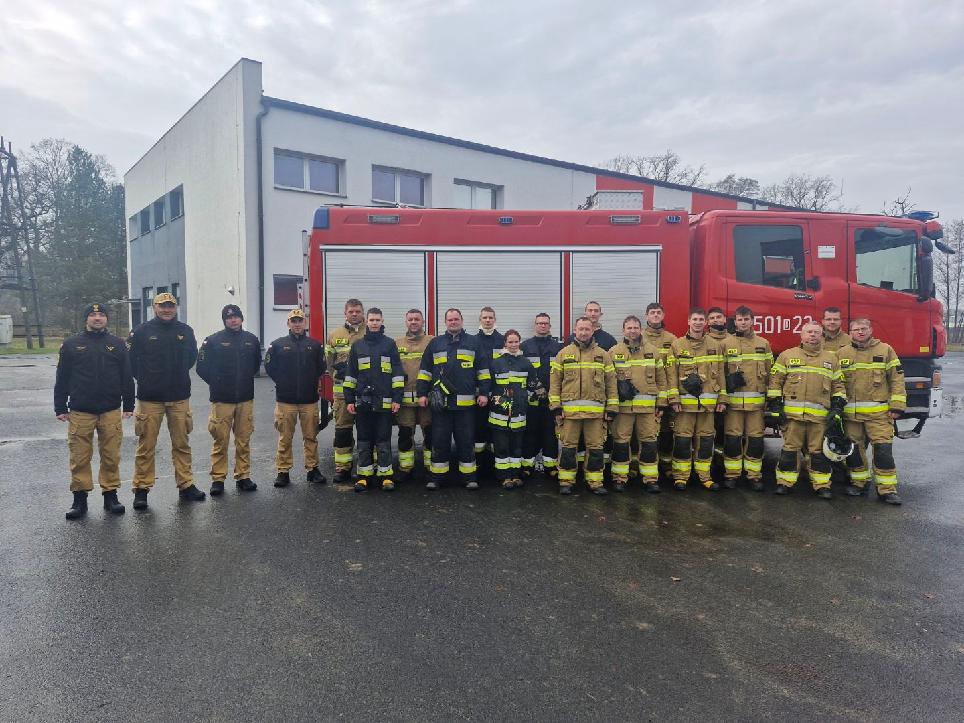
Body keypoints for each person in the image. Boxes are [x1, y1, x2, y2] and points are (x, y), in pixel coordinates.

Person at [55, 302, 134, 519]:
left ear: (106, 319)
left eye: (101, 315)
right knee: (79, 457)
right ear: (86, 319)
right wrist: (60, 406)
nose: (97, 318)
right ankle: (79, 500)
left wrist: (129, 405)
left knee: (111, 456)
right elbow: (62, 377)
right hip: (81, 410)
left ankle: (111, 496)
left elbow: (127, 376)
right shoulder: (71, 345)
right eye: (92, 314)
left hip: (110, 409)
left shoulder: (117, 344)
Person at [127, 292, 205, 509]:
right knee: (146, 445)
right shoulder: (141, 332)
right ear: (154, 307)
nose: (167, 309)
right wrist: (147, 378)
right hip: (150, 398)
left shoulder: (185, 331)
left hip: (179, 397)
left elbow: (191, 358)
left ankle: (186, 484)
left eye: (170, 306)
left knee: (182, 444)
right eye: (162, 306)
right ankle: (141, 489)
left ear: (176, 307)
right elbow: (131, 362)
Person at [767, 321, 847, 499]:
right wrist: (776, 406)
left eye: (816, 332)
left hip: (819, 418)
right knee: (789, 450)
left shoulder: (831, 359)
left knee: (818, 453)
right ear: (801, 335)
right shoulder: (787, 355)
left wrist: (837, 408)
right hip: (792, 417)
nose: (812, 335)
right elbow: (775, 382)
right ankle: (784, 483)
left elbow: (838, 386)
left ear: (822, 336)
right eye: (809, 332)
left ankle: (822, 485)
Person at [416, 308, 491, 490]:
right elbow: (425, 371)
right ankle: (437, 478)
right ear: (445, 322)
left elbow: (483, 370)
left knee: (466, 442)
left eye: (456, 319)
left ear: (462, 321)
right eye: (450, 320)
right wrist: (422, 394)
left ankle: (469, 477)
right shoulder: (435, 343)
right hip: (441, 405)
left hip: (466, 407)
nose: (453, 322)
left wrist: (483, 392)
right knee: (439, 441)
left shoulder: (473, 342)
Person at [196, 304, 262, 496]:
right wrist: (218, 382)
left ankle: (243, 476)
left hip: (245, 398)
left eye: (236, 317)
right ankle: (218, 479)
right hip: (222, 399)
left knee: (243, 440)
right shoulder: (213, 341)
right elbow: (201, 367)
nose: (233, 320)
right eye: (229, 318)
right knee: (221, 440)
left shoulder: (251, 339)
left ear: (241, 318)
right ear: (224, 320)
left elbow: (255, 364)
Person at [839, 318, 906, 504]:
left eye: (863, 328)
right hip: (851, 416)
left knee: (883, 450)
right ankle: (859, 483)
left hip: (879, 415)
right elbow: (835, 381)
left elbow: (897, 379)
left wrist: (897, 405)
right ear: (850, 333)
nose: (860, 332)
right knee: (853, 451)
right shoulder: (842, 353)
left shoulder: (885, 350)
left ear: (871, 330)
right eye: (856, 329)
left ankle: (887, 490)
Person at [550, 316, 618, 495]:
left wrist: (612, 408)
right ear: (575, 330)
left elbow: (611, 383)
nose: (584, 332)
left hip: (595, 415)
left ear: (593, 330)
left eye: (587, 329)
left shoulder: (603, 355)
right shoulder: (563, 354)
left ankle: (595, 482)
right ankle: (566, 481)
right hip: (569, 414)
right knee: (568, 448)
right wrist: (556, 407)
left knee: (596, 448)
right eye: (580, 329)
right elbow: (555, 383)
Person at [265, 309, 327, 487]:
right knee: (285, 438)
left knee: (311, 437)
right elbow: (269, 367)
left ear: (305, 323)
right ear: (288, 324)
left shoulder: (315, 345)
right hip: (286, 400)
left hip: (309, 400)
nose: (297, 324)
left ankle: (312, 469)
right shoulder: (277, 345)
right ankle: (283, 471)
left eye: (300, 321)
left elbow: (321, 368)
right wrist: (283, 381)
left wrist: (310, 381)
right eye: (293, 321)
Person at [609, 315, 671, 493]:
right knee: (621, 443)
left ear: (641, 329)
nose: (632, 331)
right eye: (629, 328)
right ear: (623, 330)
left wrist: (661, 404)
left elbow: (662, 380)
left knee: (649, 442)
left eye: (635, 327)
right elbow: (609, 382)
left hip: (648, 409)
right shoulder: (613, 352)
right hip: (623, 409)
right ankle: (619, 478)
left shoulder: (653, 351)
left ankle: (650, 479)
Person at [344, 308, 403, 492]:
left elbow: (397, 373)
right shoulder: (357, 346)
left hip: (384, 402)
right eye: (372, 320)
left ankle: (386, 476)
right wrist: (349, 399)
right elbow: (351, 374)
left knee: (383, 440)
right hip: (363, 402)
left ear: (382, 321)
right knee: (364, 440)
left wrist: (397, 398)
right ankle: (364, 477)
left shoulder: (389, 344)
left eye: (378, 320)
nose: (375, 323)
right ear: (366, 322)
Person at [667, 308, 727, 491]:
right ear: (688, 321)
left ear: (705, 323)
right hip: (684, 406)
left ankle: (704, 477)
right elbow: (671, 374)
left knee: (706, 441)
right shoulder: (677, 345)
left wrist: (722, 399)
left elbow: (721, 374)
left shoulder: (715, 345)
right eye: (695, 319)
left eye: (701, 319)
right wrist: (674, 399)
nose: (698, 322)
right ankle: (680, 477)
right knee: (682, 441)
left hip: (707, 406)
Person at [722, 306, 773, 491]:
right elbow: (720, 373)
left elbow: (770, 373)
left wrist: (770, 398)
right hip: (733, 404)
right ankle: (732, 475)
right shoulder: (726, 344)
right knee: (733, 439)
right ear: (735, 322)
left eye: (746, 319)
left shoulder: (763, 344)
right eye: (739, 319)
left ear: (752, 321)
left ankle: (754, 476)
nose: (743, 322)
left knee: (756, 440)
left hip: (756, 405)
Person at [488, 330, 540, 489]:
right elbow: (489, 388)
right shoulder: (495, 363)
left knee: (517, 447)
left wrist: (526, 400)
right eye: (510, 342)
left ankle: (515, 475)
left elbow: (532, 385)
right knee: (502, 447)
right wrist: (502, 403)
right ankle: (504, 477)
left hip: (519, 414)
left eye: (516, 342)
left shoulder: (526, 363)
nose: (513, 345)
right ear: (505, 343)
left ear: (520, 343)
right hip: (500, 414)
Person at [326, 298, 365, 484]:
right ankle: (343, 468)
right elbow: (329, 363)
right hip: (342, 393)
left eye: (358, 311)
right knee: (342, 431)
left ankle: (367, 467)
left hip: (365, 393)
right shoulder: (334, 334)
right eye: (351, 311)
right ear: (345, 313)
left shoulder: (370, 332)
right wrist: (338, 375)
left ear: (363, 313)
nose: (354, 314)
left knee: (367, 431)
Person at [520, 313, 564, 479]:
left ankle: (550, 466)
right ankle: (527, 466)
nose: (543, 326)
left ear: (550, 326)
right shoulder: (525, 346)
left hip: (552, 400)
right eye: (540, 323)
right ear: (535, 326)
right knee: (529, 433)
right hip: (531, 400)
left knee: (550, 434)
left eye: (545, 323)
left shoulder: (558, 347)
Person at [394, 309, 434, 481]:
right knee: (405, 435)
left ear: (423, 321)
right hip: (404, 401)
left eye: (417, 319)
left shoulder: (432, 342)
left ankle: (431, 467)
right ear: (406, 322)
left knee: (430, 434)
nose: (413, 322)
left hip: (427, 399)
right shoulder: (397, 344)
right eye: (410, 319)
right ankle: (405, 468)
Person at [643, 302, 678, 476]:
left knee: (666, 431)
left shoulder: (672, 340)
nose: (655, 315)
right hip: (645, 394)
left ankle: (666, 466)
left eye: (658, 312)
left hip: (666, 393)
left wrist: (672, 395)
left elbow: (674, 370)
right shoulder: (639, 337)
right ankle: (639, 466)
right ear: (646, 316)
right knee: (644, 432)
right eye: (652, 312)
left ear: (663, 315)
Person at [474, 306, 505, 464]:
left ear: (495, 319)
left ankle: (495, 462)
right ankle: (479, 461)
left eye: (490, 317)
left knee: (497, 426)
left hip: (499, 393)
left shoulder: (503, 341)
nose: (487, 320)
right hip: (478, 393)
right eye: (484, 317)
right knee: (479, 426)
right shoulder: (472, 341)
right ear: (480, 320)